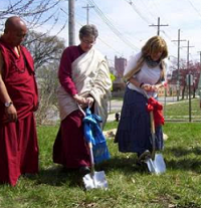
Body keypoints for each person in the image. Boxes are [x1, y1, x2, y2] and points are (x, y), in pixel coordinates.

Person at [53, 24, 112, 174]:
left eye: (92, 41)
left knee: (85, 128)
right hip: (69, 95)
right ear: (80, 38)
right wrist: (75, 95)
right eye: (86, 41)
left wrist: (92, 96)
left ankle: (81, 162)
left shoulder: (98, 58)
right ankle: (79, 164)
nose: (88, 45)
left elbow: (103, 80)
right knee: (73, 125)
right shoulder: (70, 52)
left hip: (89, 98)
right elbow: (64, 75)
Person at [115, 36, 168, 162]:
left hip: (152, 95)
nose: (156, 55)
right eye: (154, 51)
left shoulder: (163, 63)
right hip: (135, 92)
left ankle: (151, 148)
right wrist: (142, 85)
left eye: (159, 52)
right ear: (148, 49)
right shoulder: (138, 58)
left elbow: (164, 80)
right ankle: (141, 150)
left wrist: (156, 86)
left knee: (153, 121)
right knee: (141, 118)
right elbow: (127, 76)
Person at [0, 16, 39, 186]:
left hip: (26, 106)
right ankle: (8, 176)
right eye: (18, 35)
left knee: (25, 142)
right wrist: (8, 103)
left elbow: (30, 74)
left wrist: (35, 97)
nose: (22, 39)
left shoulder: (22, 49)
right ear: (7, 32)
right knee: (9, 144)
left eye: (24, 35)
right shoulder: (1, 49)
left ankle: (25, 170)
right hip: (10, 107)